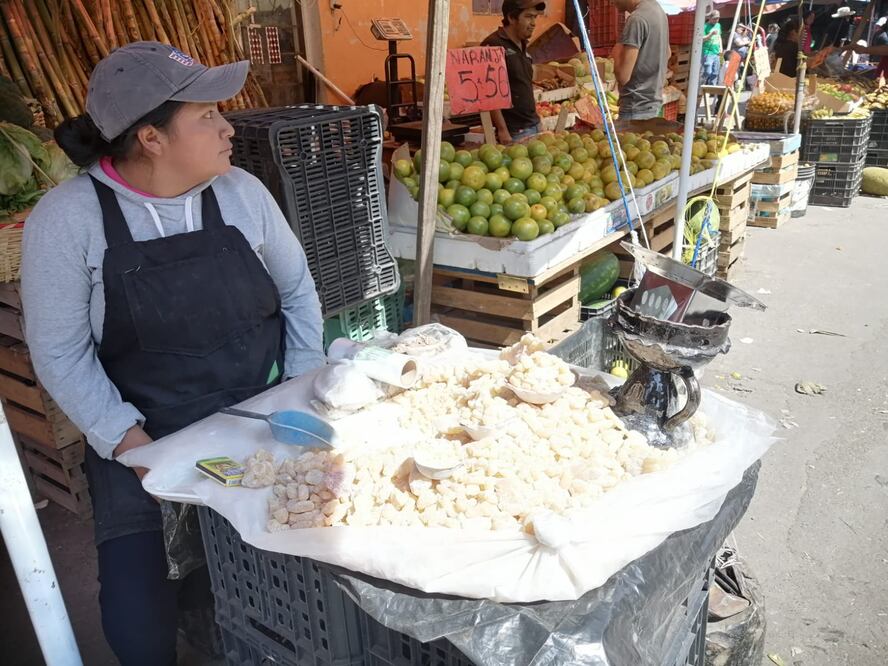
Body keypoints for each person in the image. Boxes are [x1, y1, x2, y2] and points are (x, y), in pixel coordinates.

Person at [21, 41, 324, 665]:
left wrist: (297, 393)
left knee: (284, 592)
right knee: (140, 621)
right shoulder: (67, 220)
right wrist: (133, 448)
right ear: (152, 138)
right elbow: (58, 350)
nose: (227, 126)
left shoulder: (243, 193)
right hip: (144, 437)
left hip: (255, 427)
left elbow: (298, 295)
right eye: (207, 115)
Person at [482, 0, 546, 143]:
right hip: (514, 131)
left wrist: (537, 119)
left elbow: (524, 86)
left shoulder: (523, 43)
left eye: (535, 17)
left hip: (533, 125)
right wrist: (502, 129)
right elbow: (489, 94)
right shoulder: (493, 45)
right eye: (528, 16)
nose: (534, 23)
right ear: (511, 18)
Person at [610, 0, 670, 120]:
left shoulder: (636, 19)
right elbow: (667, 53)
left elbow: (623, 76)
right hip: (653, 104)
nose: (611, 2)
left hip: (635, 108)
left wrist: (616, 52)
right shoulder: (658, 10)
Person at [702, 11, 723, 86]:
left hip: (716, 52)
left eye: (717, 18)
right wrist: (710, 34)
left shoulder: (718, 25)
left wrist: (721, 49)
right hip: (708, 51)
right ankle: (702, 82)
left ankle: (712, 89)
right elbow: (702, 39)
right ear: (710, 18)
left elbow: (719, 37)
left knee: (715, 73)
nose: (716, 20)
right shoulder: (705, 26)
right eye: (714, 19)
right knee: (708, 71)